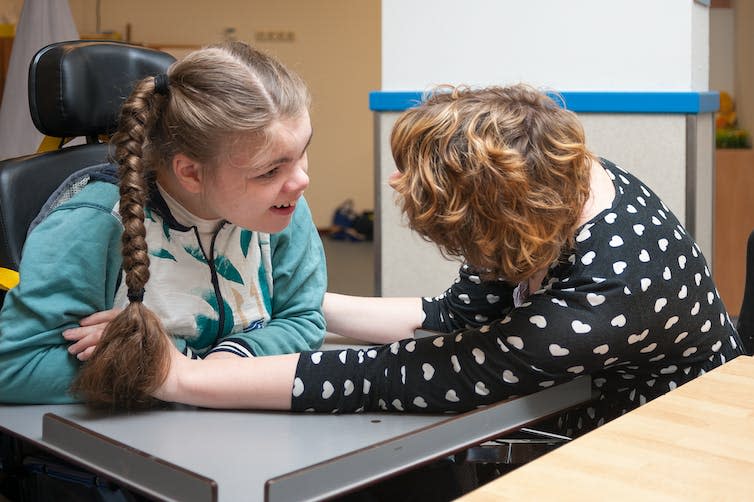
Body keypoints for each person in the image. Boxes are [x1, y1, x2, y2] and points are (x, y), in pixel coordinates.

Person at [151, 83, 743, 438]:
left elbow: (391, 374)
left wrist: (181, 376)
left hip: (659, 452)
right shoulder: (563, 178)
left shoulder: (598, 302)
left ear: (496, 223)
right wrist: (289, 304)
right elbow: (452, 318)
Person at [0, 41, 326, 406]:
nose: (301, 181)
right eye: (270, 170)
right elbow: (12, 367)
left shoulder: (282, 205)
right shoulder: (92, 224)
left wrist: (209, 368)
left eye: (302, 154)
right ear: (191, 173)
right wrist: (155, 365)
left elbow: (303, 318)